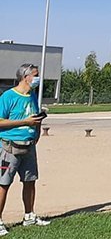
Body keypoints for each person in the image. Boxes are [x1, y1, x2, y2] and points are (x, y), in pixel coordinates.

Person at [0, 64, 50, 235]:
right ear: (25, 76)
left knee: (30, 181)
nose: (38, 78)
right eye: (35, 75)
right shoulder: (8, 96)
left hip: (29, 147)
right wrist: (25, 122)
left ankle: (29, 215)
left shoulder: (32, 96)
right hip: (10, 147)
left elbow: (35, 116)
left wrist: (37, 130)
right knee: (3, 184)